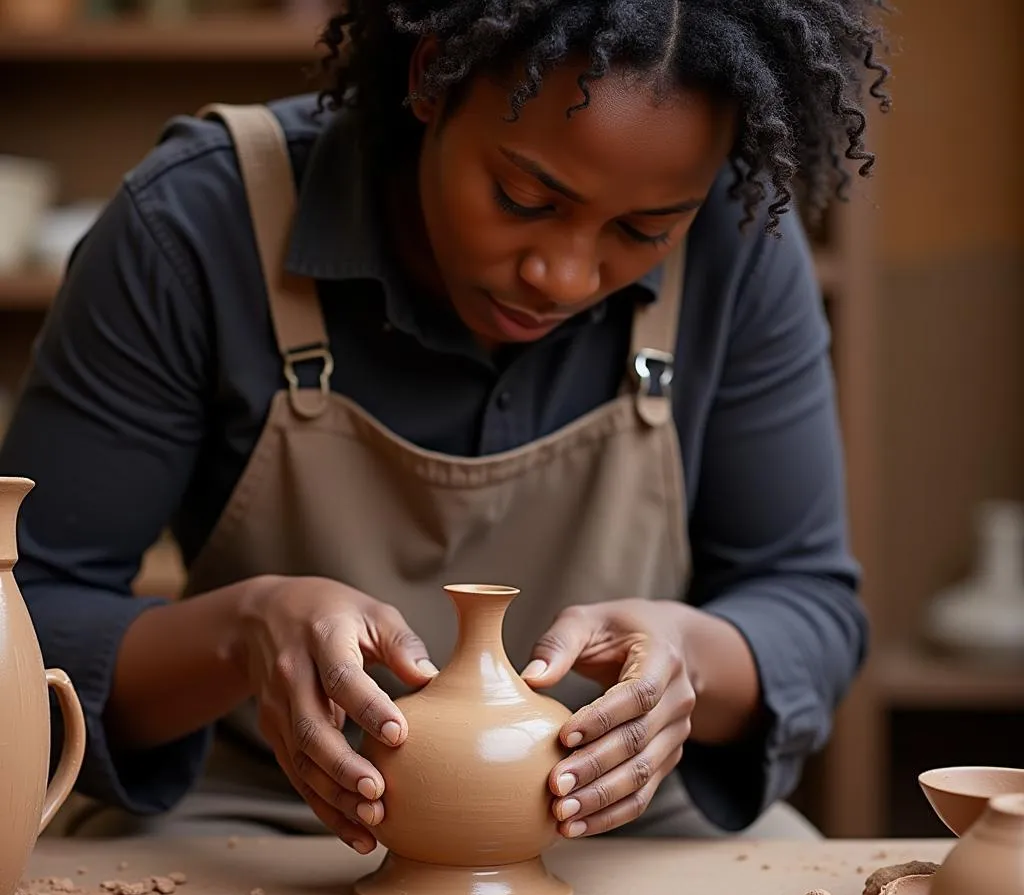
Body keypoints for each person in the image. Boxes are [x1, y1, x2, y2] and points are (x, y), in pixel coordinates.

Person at [0, 1, 891, 847]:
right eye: (525, 199)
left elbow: (807, 603)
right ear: (432, 77)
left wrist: (693, 659)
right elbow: (24, 619)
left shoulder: (737, 241)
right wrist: (244, 632)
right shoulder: (196, 225)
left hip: (615, 812)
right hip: (258, 805)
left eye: (644, 229)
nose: (566, 275)